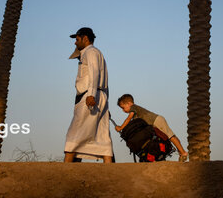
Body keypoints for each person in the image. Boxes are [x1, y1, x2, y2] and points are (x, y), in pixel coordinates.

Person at [64, 27, 113, 163]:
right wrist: (105, 104)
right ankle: (109, 169)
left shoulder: (90, 52)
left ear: (85, 38)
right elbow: (104, 79)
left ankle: (65, 168)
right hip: (100, 95)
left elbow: (94, 72)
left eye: (77, 39)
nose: (75, 43)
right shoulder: (97, 53)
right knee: (102, 134)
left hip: (90, 96)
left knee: (74, 132)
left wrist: (90, 95)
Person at [116, 94, 188, 162]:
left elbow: (128, 119)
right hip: (154, 123)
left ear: (129, 103)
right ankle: (179, 152)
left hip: (156, 120)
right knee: (166, 136)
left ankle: (183, 152)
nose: (123, 110)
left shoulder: (133, 107)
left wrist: (121, 127)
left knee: (170, 136)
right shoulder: (135, 112)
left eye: (123, 107)